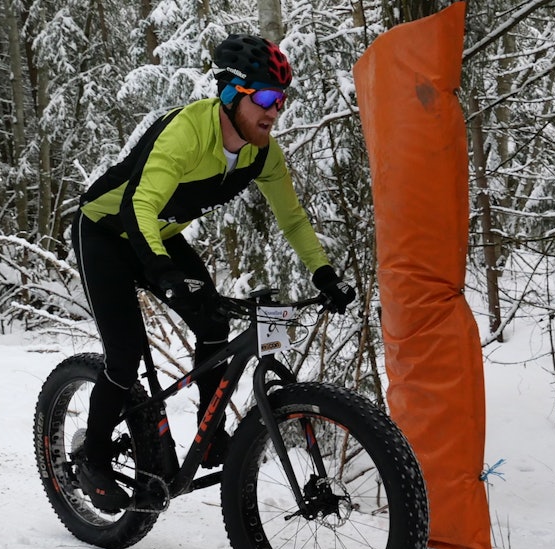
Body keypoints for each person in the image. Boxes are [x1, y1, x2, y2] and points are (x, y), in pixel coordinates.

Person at [69, 34, 355, 512]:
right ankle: (92, 457)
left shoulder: (262, 152)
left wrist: (323, 273)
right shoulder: (187, 133)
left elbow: (292, 218)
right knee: (124, 354)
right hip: (106, 230)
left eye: (280, 100)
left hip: (158, 233)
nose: (274, 111)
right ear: (230, 94)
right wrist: (161, 271)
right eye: (264, 97)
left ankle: (210, 430)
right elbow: (139, 203)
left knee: (213, 320)